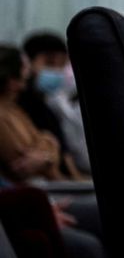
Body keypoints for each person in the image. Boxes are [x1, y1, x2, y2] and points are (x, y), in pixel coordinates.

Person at [20, 33, 89, 174]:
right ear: (27, 63)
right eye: (49, 63)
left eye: (62, 64)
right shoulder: (22, 105)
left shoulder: (56, 102)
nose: (57, 70)